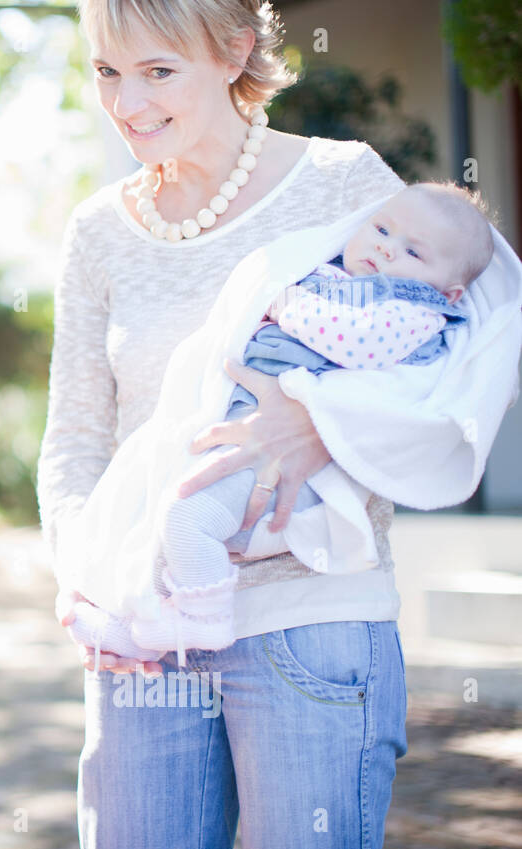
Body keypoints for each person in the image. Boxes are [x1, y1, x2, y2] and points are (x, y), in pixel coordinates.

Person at [37, 0, 423, 849]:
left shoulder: (342, 182)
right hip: (143, 636)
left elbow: (457, 361)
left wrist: (321, 426)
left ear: (235, 50)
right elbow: (75, 435)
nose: (126, 101)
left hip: (310, 622)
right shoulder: (98, 232)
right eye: (107, 71)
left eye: (157, 71)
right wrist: (86, 576)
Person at [67, 182, 496, 662]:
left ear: (450, 290)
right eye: (381, 228)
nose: (385, 247)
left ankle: (202, 621)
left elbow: (351, 342)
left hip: (290, 471)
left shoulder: (414, 311)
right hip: (236, 427)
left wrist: (284, 302)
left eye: (413, 252)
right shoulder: (324, 271)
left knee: (186, 517)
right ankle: (135, 620)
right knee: (150, 494)